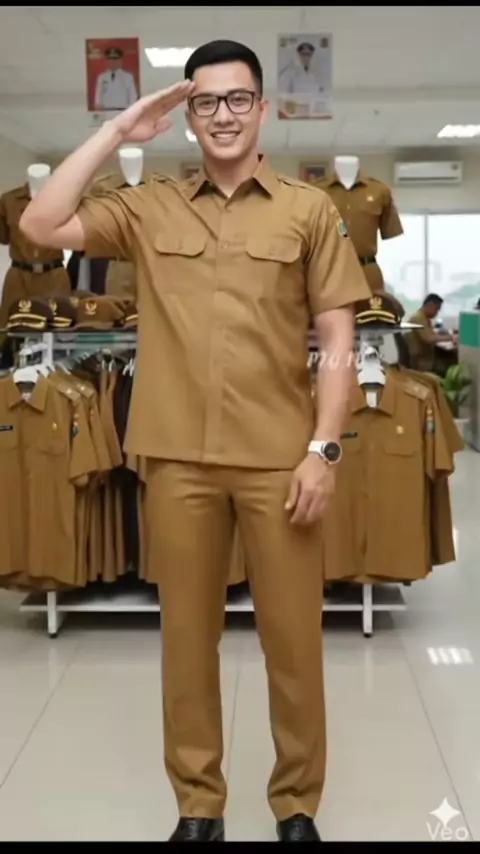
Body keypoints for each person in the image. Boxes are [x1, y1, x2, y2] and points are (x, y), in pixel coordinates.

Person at [20, 39, 371, 843]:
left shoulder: (306, 210)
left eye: (237, 99)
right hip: (177, 459)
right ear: (187, 116)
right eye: (205, 101)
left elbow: (337, 336)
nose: (223, 115)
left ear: (263, 109)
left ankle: (296, 807)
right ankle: (199, 808)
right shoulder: (148, 208)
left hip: (280, 460)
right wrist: (119, 130)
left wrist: (325, 449)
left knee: (293, 642)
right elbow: (40, 224)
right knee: (186, 643)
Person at [406, 293, 455, 373]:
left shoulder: (424, 318)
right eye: (437, 309)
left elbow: (429, 334)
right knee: (451, 364)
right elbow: (429, 339)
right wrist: (451, 337)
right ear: (430, 305)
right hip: (421, 362)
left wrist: (439, 333)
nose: (437, 313)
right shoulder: (418, 318)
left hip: (425, 357)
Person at [94, 46, 138, 112]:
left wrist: (131, 111)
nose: (113, 62)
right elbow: (98, 95)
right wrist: (98, 106)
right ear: (107, 61)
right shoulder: (102, 77)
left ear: (120, 61)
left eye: (115, 59)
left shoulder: (128, 77)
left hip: (123, 111)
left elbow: (133, 96)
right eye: (110, 59)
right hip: (106, 111)